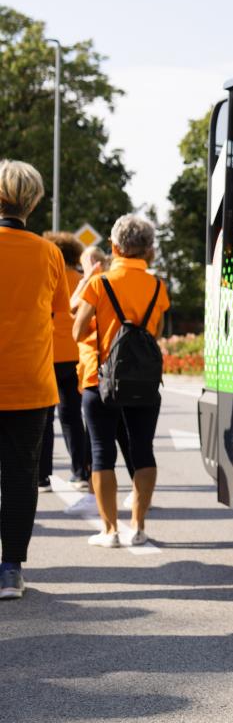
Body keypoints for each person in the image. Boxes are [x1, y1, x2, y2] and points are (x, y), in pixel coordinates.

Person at [72, 215, 170, 547]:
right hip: (143, 381)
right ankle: (138, 527)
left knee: (102, 452)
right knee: (143, 449)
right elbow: (155, 332)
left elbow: (77, 331)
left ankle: (110, 531)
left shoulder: (100, 284)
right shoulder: (157, 287)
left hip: (100, 378)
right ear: (147, 249)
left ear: (114, 247)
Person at [0, 160, 72, 600]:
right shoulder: (49, 253)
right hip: (30, 383)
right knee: (21, 476)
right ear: (33, 202)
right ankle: (11, 570)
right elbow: (58, 311)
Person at [39, 232, 90, 491]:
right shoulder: (82, 281)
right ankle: (80, 473)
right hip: (75, 357)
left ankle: (42, 477)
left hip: (47, 356)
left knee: (44, 419)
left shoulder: (48, 277)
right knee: (72, 417)